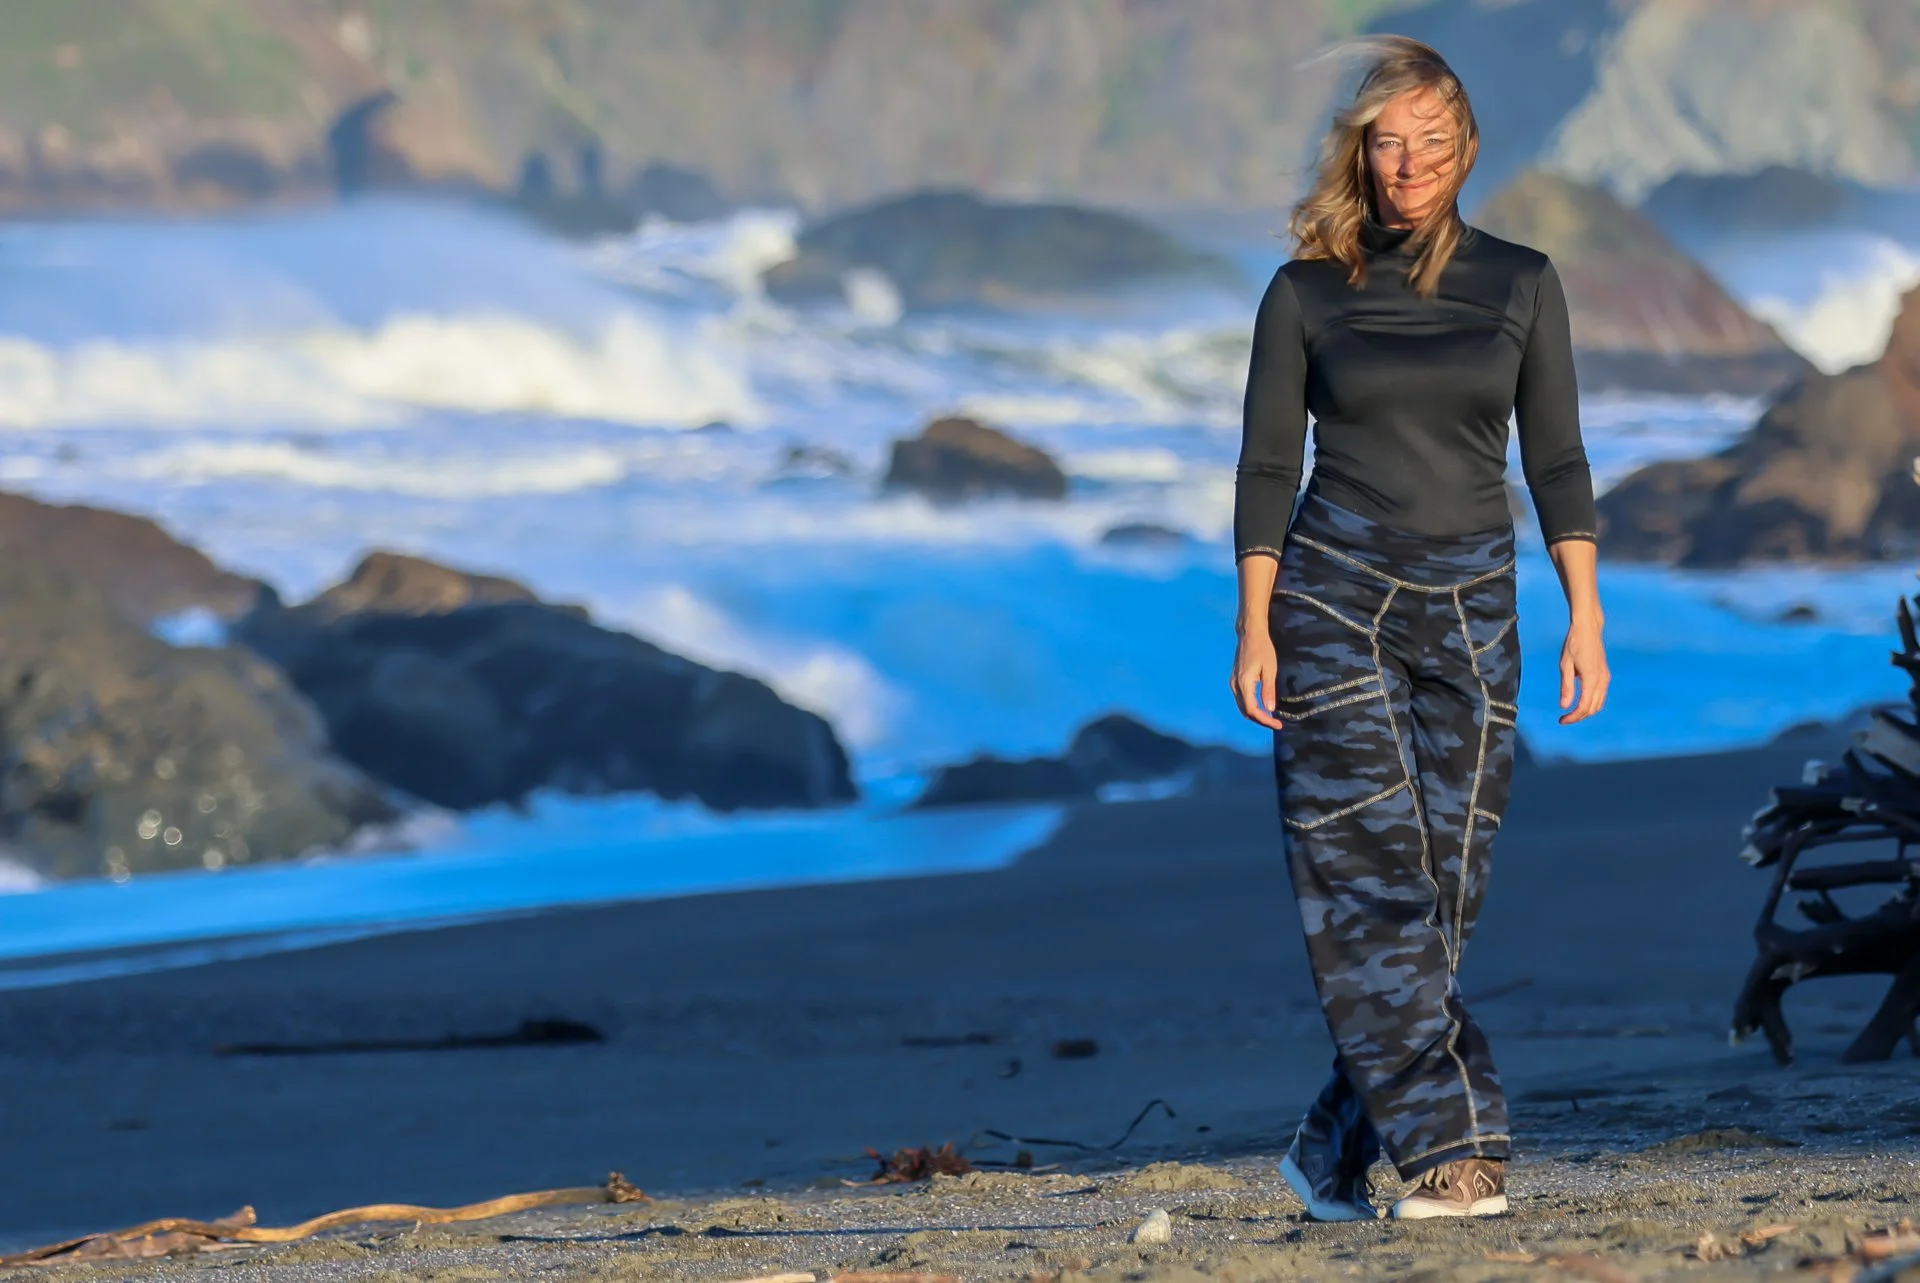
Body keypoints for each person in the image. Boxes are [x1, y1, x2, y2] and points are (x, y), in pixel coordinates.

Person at [1230, 36, 1609, 1221]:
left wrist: (1583, 613)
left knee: (1442, 893)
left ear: (1465, 148)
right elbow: (1262, 465)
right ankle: (1457, 1150)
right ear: (1361, 151)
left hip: (1475, 601)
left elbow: (1555, 456)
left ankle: (1329, 1145)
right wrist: (1255, 624)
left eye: (1431, 142)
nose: (1409, 165)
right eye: (1388, 143)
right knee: (1364, 874)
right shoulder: (1303, 292)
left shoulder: (1522, 280)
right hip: (1334, 589)